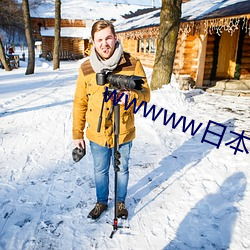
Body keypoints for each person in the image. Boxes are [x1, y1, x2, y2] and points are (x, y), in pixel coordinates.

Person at [72, 20, 150, 220]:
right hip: (97, 133)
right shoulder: (86, 68)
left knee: (122, 168)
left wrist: (131, 97)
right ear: (93, 42)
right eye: (100, 40)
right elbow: (80, 102)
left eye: (108, 38)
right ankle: (101, 202)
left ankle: (121, 202)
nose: (104, 43)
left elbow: (146, 94)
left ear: (115, 38)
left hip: (123, 130)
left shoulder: (132, 63)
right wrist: (77, 134)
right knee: (100, 170)